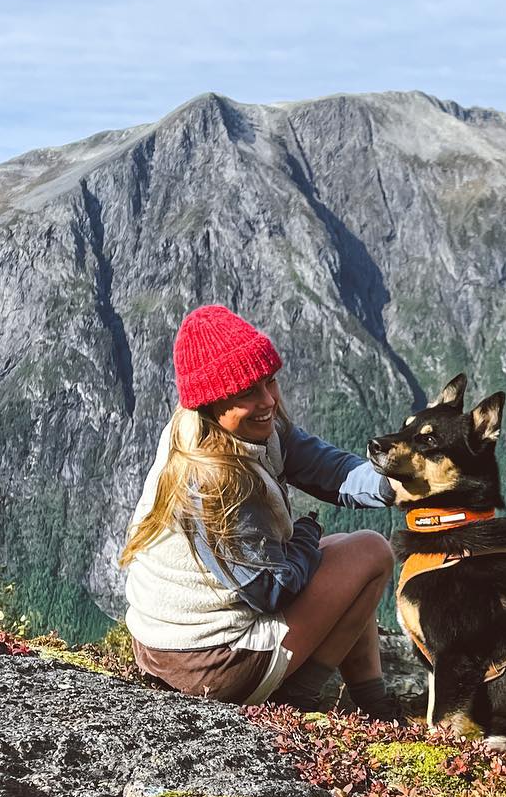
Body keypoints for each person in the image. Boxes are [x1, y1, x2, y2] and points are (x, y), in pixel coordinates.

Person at [119, 303, 400, 719]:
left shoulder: (225, 427)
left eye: (270, 382)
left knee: (343, 549)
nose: (268, 399)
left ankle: (375, 702)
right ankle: (300, 698)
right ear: (213, 401)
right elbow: (269, 589)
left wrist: (391, 484)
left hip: (169, 645)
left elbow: (322, 465)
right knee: (371, 553)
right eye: (249, 392)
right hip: (206, 664)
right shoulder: (210, 480)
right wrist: (306, 537)